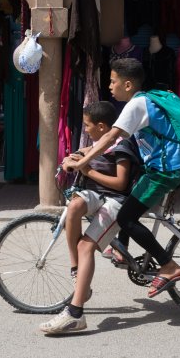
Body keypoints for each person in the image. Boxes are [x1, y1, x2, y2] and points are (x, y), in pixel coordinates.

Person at [67, 58, 180, 299]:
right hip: (164, 167)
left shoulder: (136, 105)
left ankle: (169, 266)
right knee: (128, 204)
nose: (110, 86)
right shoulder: (144, 101)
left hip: (166, 170)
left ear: (127, 85)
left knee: (125, 216)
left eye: (113, 81)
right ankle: (122, 251)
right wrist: (83, 155)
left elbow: (109, 139)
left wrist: (82, 164)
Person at [39, 101, 140, 335]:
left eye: (87, 125)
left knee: (86, 246)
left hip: (116, 201)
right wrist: (72, 158)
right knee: (74, 206)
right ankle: (77, 270)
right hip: (96, 195)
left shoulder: (121, 146)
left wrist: (87, 171)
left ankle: (76, 314)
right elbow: (85, 153)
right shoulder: (98, 142)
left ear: (103, 127)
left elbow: (121, 183)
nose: (85, 129)